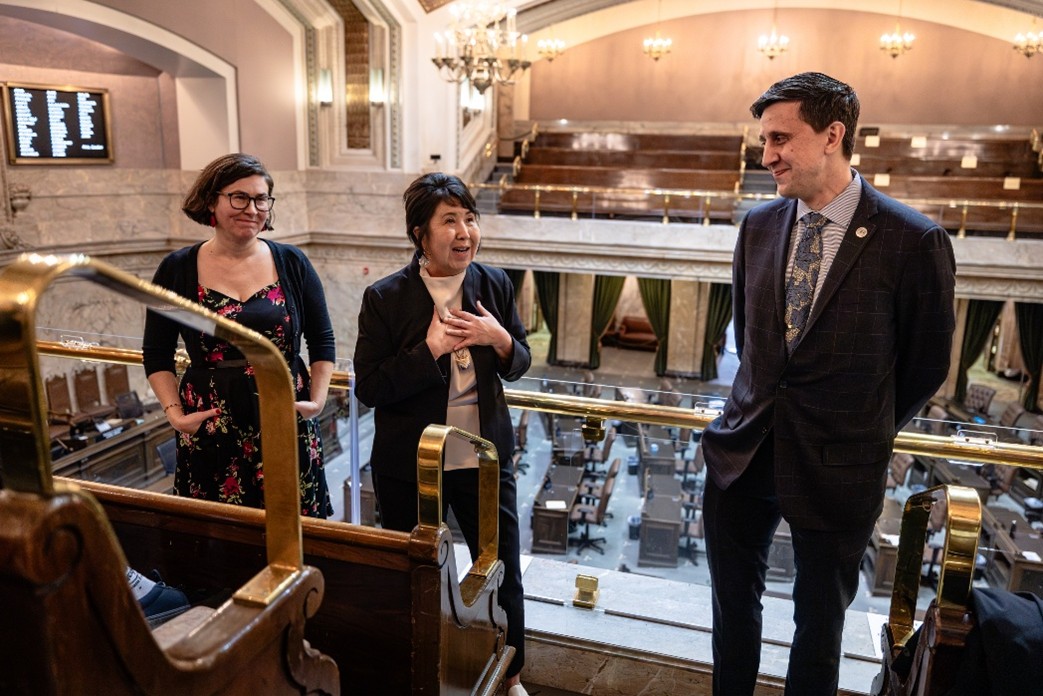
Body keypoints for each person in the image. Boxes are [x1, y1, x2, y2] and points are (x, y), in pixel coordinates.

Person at [699, 72, 956, 695]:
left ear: (833, 135)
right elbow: (754, 341)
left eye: (781, 139)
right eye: (765, 141)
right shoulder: (757, 226)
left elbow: (925, 365)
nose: (768, 157)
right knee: (732, 614)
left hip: (840, 464)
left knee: (819, 625)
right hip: (743, 452)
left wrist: (857, 426)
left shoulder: (914, 239)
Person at [353, 172, 531, 696]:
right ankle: (414, 671)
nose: (465, 232)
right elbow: (370, 388)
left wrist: (500, 341)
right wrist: (427, 350)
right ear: (420, 234)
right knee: (414, 574)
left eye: (470, 218)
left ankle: (512, 673)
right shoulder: (385, 297)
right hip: (412, 465)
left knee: (503, 571)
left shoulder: (494, 283)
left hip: (485, 462)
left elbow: (520, 361)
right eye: (450, 220)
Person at [142, 152, 336, 518]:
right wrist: (176, 415)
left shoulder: (293, 263)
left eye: (261, 199)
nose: (252, 208)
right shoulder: (176, 270)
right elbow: (156, 352)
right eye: (239, 197)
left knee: (294, 524)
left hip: (284, 411)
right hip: (211, 421)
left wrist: (318, 401)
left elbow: (322, 339)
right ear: (211, 201)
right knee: (218, 535)